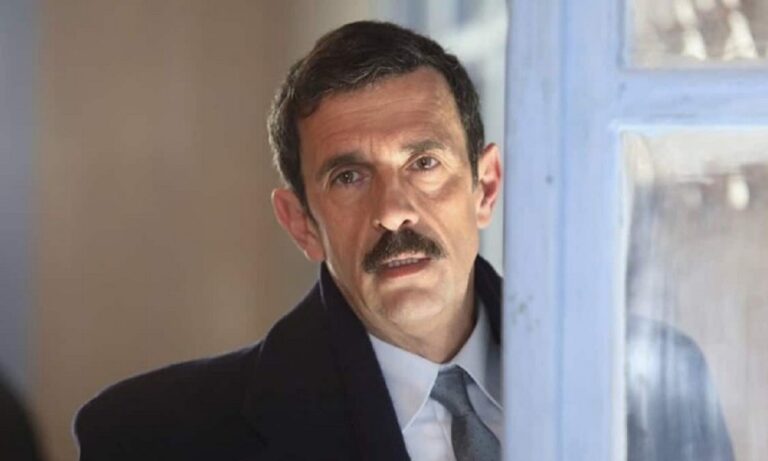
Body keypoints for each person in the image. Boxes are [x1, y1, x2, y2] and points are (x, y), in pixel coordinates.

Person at [74, 20, 732, 461]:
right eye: (349, 176)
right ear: (301, 223)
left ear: (485, 186)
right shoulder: (152, 436)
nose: (393, 212)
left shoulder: (656, 384)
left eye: (423, 163)